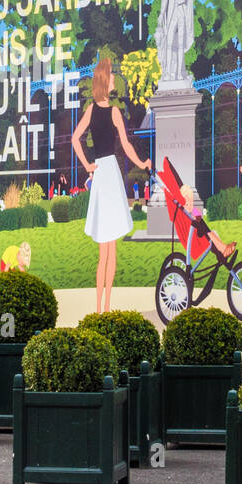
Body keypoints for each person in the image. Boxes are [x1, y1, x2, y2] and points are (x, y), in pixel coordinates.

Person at [72, 56, 152, 314]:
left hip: (100, 173)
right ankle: (104, 307)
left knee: (104, 249)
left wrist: (87, 165)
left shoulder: (91, 111)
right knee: (110, 247)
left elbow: (76, 139)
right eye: (112, 75)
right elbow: (126, 146)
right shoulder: (113, 111)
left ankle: (100, 308)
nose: (115, 79)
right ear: (105, 81)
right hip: (108, 173)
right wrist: (141, 163)